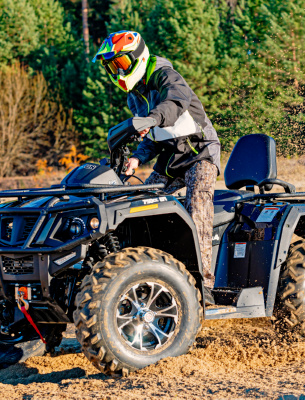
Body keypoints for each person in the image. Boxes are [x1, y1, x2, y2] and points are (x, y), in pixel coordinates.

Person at [92, 30, 220, 304]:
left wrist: (151, 118)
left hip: (200, 153)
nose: (117, 72)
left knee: (197, 210)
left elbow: (175, 102)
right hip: (170, 159)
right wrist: (138, 157)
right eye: (112, 67)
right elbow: (151, 136)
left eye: (121, 64)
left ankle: (203, 287)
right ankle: (150, 274)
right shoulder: (135, 97)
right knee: (143, 206)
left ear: (137, 56)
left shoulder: (165, 76)